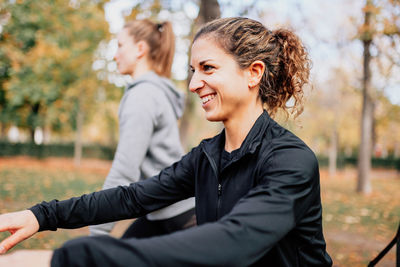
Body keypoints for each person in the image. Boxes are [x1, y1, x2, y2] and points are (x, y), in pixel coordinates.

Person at [0, 17, 333, 266]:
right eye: (192, 70)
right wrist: (42, 216)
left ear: (253, 73)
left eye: (208, 68)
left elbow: (235, 240)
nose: (193, 83)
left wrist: (80, 258)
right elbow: (133, 197)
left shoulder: (290, 161)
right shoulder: (207, 156)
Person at [89, 19, 195, 238]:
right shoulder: (153, 92)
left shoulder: (142, 96)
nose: (115, 54)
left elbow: (124, 171)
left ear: (140, 49)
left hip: (179, 216)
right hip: (165, 211)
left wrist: (97, 232)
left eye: (120, 46)